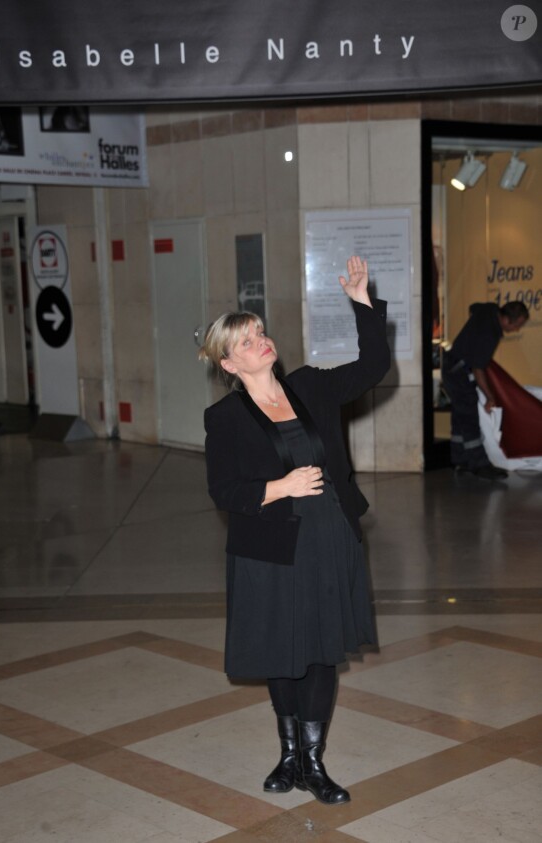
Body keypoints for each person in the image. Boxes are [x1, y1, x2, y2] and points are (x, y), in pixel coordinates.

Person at [200, 256, 390, 805]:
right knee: (279, 652)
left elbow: (373, 365)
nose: (260, 340)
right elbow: (224, 490)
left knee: (321, 650)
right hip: (270, 547)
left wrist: (361, 301)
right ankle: (288, 755)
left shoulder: (308, 386)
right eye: (246, 340)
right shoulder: (226, 419)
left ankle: (313, 761)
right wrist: (279, 487)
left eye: (260, 331)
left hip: (328, 535)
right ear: (229, 363)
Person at [441, 300, 529, 480]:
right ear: (506, 320)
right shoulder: (490, 334)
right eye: (517, 325)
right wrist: (490, 397)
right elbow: (478, 369)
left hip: (450, 367)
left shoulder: (489, 310)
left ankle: (460, 459)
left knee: (460, 416)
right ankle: (479, 464)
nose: (517, 329)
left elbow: (472, 307)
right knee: (469, 416)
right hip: (459, 373)